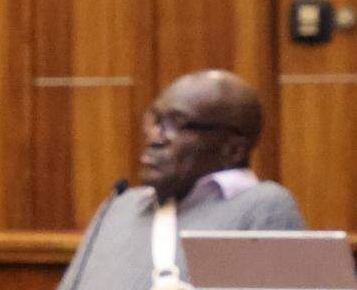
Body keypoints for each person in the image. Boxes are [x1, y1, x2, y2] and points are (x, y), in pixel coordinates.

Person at [57, 70, 305, 290]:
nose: (156, 137)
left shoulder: (264, 205)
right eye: (155, 121)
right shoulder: (121, 205)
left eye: (175, 124)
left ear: (232, 149)